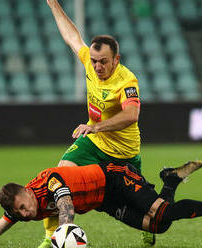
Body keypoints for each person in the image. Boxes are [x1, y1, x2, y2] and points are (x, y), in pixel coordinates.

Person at [44, 0, 149, 246]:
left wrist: (95, 126)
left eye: (103, 61)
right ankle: (51, 238)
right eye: (94, 61)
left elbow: (131, 115)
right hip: (95, 143)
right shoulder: (90, 64)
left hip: (124, 152)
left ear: (116, 59)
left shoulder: (126, 81)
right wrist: (53, 5)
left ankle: (148, 225)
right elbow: (72, 37)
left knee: (141, 207)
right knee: (58, 175)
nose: (97, 66)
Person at [0, 160, 202, 248]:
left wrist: (66, 231)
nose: (25, 213)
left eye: (23, 206)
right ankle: (170, 181)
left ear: (27, 192)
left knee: (162, 211)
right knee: (158, 225)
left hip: (114, 178)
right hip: (104, 201)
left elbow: (65, 204)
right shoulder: (20, 209)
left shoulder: (50, 182)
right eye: (18, 212)